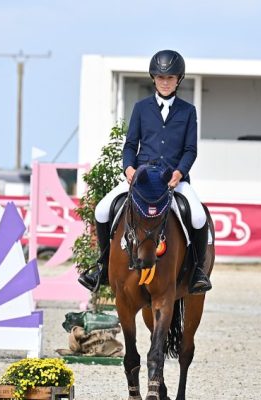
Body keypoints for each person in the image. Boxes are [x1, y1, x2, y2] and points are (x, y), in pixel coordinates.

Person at [78, 49, 212, 294]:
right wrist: (128, 168)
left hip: (173, 179)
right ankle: (103, 267)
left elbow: (190, 149)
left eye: (170, 78)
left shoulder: (187, 111)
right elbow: (130, 144)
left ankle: (197, 273)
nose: (165, 82)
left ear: (178, 79)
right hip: (140, 177)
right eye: (161, 78)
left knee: (198, 217)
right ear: (153, 78)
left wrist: (180, 173)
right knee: (101, 210)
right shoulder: (141, 108)